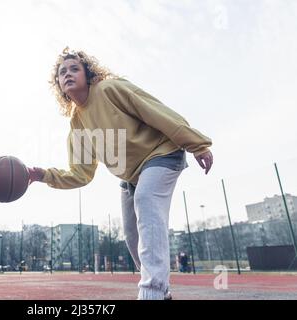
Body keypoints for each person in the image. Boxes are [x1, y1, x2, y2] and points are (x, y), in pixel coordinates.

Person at [27, 47, 213, 300]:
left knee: (146, 201)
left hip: (161, 153)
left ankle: (152, 292)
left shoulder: (109, 89)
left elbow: (154, 110)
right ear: (58, 84)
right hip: (131, 177)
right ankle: (163, 292)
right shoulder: (76, 123)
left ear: (87, 73)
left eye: (74, 68)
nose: (68, 74)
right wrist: (43, 175)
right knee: (132, 236)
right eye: (62, 72)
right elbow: (81, 173)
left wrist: (196, 143)